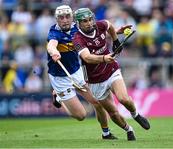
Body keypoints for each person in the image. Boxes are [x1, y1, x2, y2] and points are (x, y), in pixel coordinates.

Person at [47, 5, 133, 140]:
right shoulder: (54, 32)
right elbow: (51, 44)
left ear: (72, 18)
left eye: (67, 16)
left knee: (98, 102)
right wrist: (54, 52)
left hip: (77, 72)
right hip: (61, 77)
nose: (65, 20)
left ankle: (106, 133)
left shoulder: (77, 26)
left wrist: (117, 32)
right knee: (80, 116)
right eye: (61, 17)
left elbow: (94, 34)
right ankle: (58, 96)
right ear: (57, 19)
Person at [73, 7, 150, 138]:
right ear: (79, 23)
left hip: (111, 70)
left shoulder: (100, 25)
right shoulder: (78, 39)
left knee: (123, 99)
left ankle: (135, 114)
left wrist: (115, 40)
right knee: (113, 112)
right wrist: (103, 58)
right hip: (95, 80)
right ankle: (128, 129)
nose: (89, 23)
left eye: (90, 19)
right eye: (85, 21)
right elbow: (87, 57)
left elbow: (109, 26)